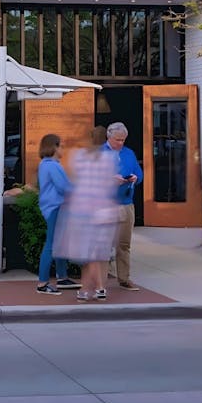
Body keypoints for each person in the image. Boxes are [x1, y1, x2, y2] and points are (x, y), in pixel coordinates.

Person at [55, 128, 119, 301]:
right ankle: (99, 287)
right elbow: (109, 186)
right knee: (96, 253)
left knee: (88, 254)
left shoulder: (79, 156)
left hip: (81, 211)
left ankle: (86, 289)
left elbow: (74, 180)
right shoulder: (109, 158)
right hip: (102, 210)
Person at [35, 134, 80, 295]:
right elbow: (63, 187)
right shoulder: (52, 166)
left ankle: (62, 277)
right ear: (53, 147)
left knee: (60, 243)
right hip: (55, 207)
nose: (63, 149)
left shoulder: (46, 165)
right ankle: (42, 283)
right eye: (61, 146)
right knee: (51, 245)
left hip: (53, 207)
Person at [104, 122, 143, 290]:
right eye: (118, 140)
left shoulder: (129, 153)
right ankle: (100, 280)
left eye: (123, 140)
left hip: (126, 203)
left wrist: (135, 178)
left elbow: (139, 173)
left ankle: (124, 278)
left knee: (124, 243)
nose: (121, 143)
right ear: (109, 137)